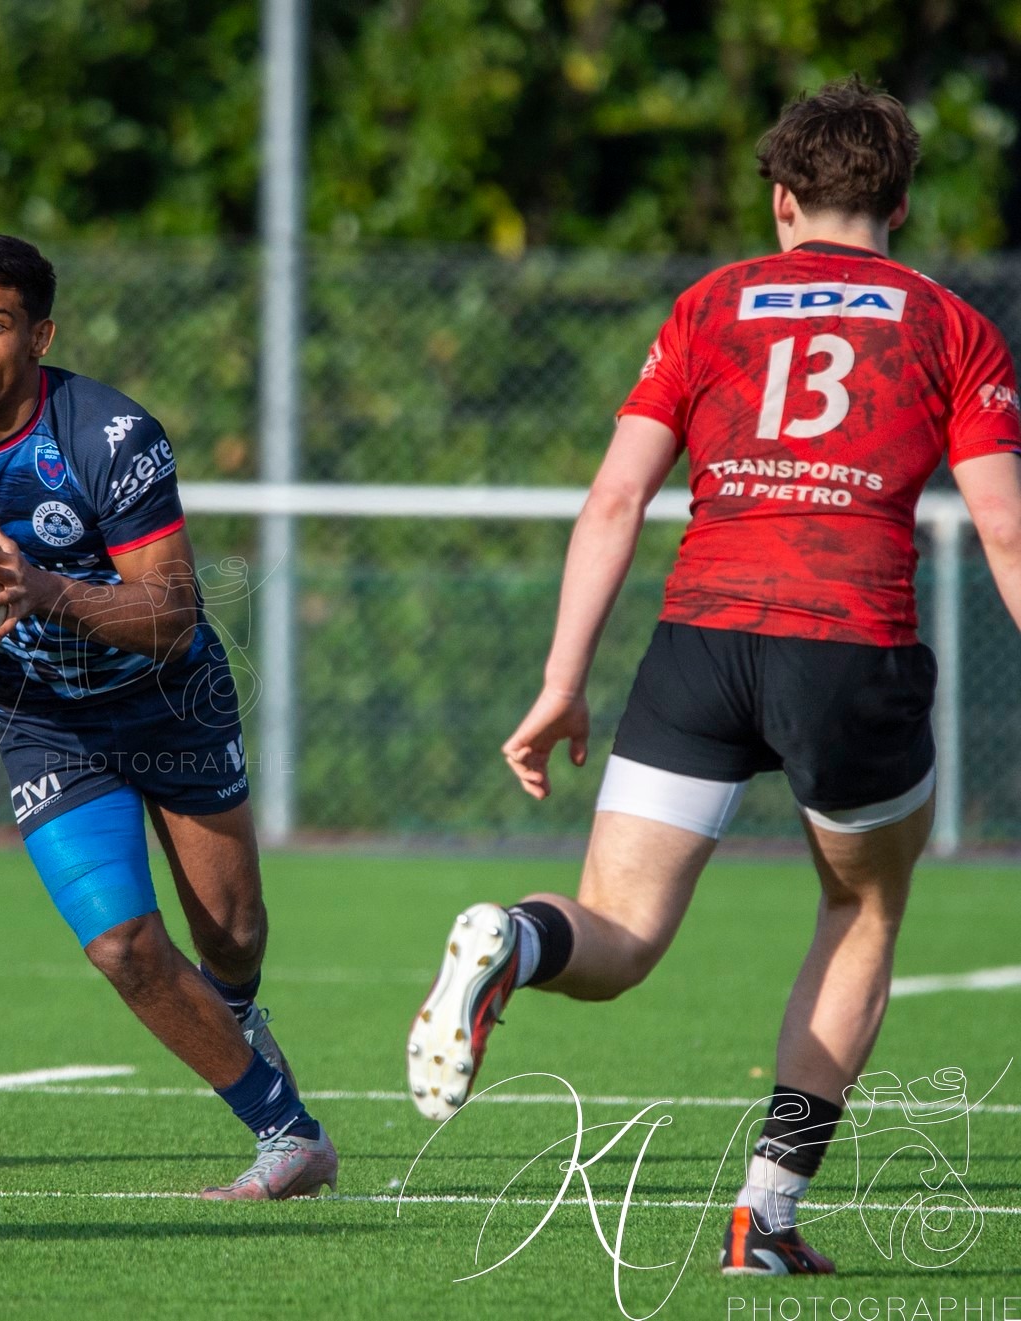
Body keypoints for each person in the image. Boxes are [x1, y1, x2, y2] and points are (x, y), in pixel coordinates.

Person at [405, 76, 1021, 1274]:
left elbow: (616, 498)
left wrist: (559, 682)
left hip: (698, 641)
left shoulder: (709, 305)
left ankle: (514, 941)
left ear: (783, 201)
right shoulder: (950, 324)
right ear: (897, 201)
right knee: (859, 911)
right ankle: (764, 1216)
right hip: (846, 643)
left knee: (620, 933)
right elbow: (1001, 525)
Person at [0, 234, 336, 1199]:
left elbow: (172, 616)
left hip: (170, 700)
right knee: (122, 943)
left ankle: (237, 1011)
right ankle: (290, 1136)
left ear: (39, 335)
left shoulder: (108, 436)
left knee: (233, 935)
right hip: (48, 721)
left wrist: (39, 587)